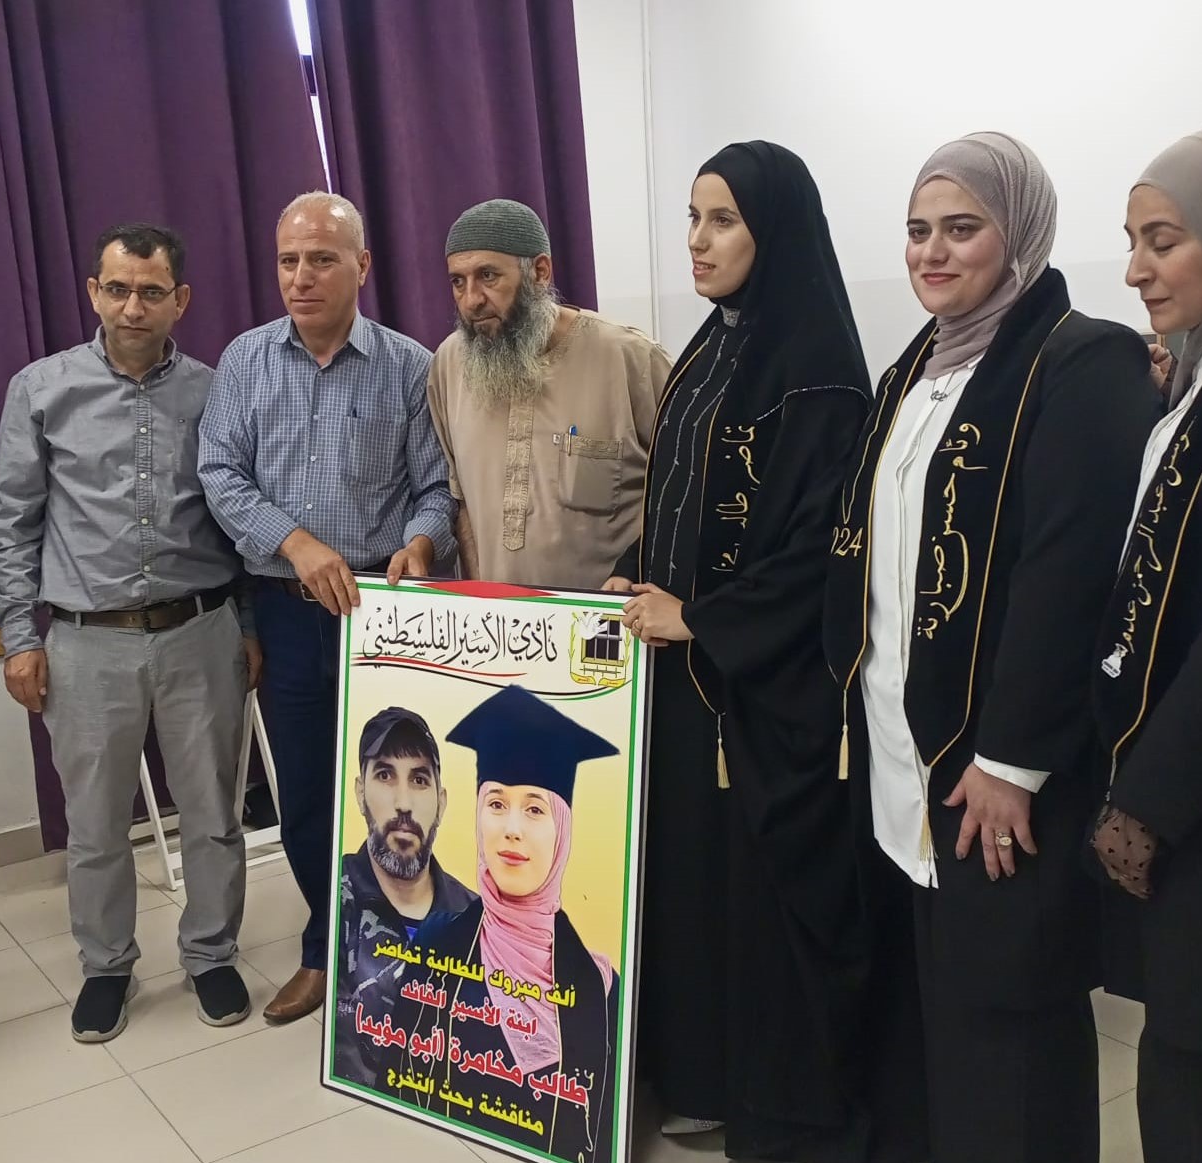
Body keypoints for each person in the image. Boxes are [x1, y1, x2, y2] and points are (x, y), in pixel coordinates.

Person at [824, 133, 1160, 1163]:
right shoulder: (916, 367)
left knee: (1012, 1023)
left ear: (1019, 235)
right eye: (918, 230)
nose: (932, 252)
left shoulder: (1082, 359)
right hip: (906, 757)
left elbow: (1070, 574)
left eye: (962, 228)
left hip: (1001, 771)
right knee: (942, 1018)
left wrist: (1012, 758)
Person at [611, 142, 878, 1158]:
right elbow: (678, 499)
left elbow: (822, 550)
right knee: (689, 882)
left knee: (747, 895)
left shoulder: (814, 375)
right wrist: (639, 579)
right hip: (687, 680)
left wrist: (703, 619)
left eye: (721, 220)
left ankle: (758, 1089)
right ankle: (696, 1069)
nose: (697, 239)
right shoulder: (710, 349)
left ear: (777, 232)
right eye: (692, 217)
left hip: (760, 693)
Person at [0, 223, 258, 1043]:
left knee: (213, 810)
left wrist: (247, 625)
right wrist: (18, 636)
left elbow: (241, 513)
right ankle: (106, 966)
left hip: (199, 630)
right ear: (93, 293)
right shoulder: (41, 390)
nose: (131, 306)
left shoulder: (218, 391)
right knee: (97, 823)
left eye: (150, 291)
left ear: (181, 300)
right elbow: (12, 524)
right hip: (85, 642)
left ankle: (211, 953)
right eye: (116, 288)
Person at [200, 192, 456, 1023]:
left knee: (401, 791)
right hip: (287, 609)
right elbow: (220, 474)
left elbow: (436, 488)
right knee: (310, 796)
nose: (301, 277)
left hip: (384, 610)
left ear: (362, 266)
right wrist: (297, 544)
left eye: (321, 259)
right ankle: (327, 950)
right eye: (288, 260)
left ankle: (415, 954)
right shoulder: (244, 360)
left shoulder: (410, 366)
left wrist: (421, 542)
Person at [1092, 127, 1202, 1163]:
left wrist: (1150, 798)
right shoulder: (1187, 387)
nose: (1135, 269)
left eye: (1162, 242)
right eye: (1133, 242)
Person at [384, 685, 620, 1162]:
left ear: (562, 831)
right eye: (495, 804)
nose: (511, 829)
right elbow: (399, 1081)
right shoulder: (436, 947)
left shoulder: (599, 986)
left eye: (534, 809)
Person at [428, 199, 671, 591]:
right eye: (458, 282)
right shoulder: (449, 365)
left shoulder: (631, 360)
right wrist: (480, 597)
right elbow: (463, 502)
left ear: (540, 272)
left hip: (610, 619)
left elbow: (689, 491)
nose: (471, 300)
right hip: (496, 622)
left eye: (488, 276)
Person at [334, 706, 475, 1089]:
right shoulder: (338, 903)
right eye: (384, 775)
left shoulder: (478, 921)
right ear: (360, 793)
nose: (403, 803)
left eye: (419, 779)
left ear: (441, 803)